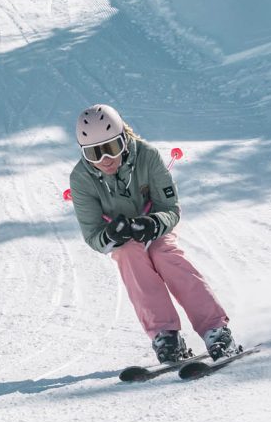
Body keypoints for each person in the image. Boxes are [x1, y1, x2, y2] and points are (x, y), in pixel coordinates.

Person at [68, 104, 239, 363]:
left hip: (154, 225)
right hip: (124, 237)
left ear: (124, 140)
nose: (106, 160)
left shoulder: (147, 156)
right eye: (94, 154)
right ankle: (166, 335)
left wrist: (152, 224)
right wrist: (112, 233)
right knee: (128, 255)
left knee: (163, 253)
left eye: (111, 149)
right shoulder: (81, 178)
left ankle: (215, 329)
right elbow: (93, 235)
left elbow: (171, 208)